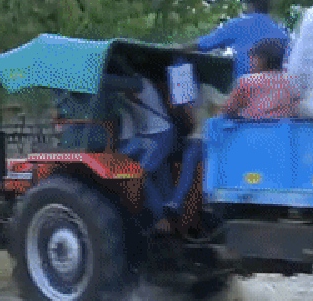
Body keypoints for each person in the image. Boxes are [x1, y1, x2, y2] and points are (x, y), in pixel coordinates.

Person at [187, 0, 290, 88]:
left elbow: (205, 43)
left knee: (205, 91)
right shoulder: (282, 33)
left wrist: (179, 47)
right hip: (276, 93)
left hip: (246, 91)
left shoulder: (239, 24)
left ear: (251, 6)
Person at [115, 76, 177, 230]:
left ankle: (161, 219)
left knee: (141, 174)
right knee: (161, 175)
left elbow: (111, 83)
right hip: (146, 135)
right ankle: (172, 214)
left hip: (160, 133)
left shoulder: (140, 82)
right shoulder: (126, 91)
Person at [163, 81, 228, 219]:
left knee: (204, 171)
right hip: (197, 138)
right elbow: (187, 119)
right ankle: (179, 202)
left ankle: (184, 202)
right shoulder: (186, 93)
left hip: (208, 139)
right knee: (191, 170)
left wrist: (215, 113)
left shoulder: (206, 89)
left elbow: (224, 105)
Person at [219, 38, 298, 119]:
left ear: (262, 59)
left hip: (253, 128)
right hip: (285, 128)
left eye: (252, 58)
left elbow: (228, 109)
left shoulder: (248, 81)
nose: (250, 62)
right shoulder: (292, 81)